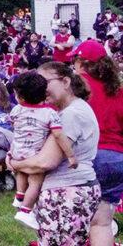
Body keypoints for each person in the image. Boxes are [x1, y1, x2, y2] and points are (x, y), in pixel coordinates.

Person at [8, 62, 100, 246]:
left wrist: (14, 163)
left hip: (67, 192)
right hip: (68, 190)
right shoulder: (66, 111)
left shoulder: (70, 115)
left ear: (65, 82)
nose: (40, 87)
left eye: (44, 81)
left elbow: (45, 162)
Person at [7, 71, 76, 230]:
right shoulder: (50, 113)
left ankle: (19, 195)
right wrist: (70, 155)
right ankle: (25, 210)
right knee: (35, 182)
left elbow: (13, 124)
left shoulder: (16, 110)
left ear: (20, 97)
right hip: (35, 153)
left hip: (17, 150)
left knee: (21, 172)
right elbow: (58, 135)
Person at [70, 39, 123, 245]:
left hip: (88, 158)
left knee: (74, 219)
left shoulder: (76, 88)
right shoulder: (117, 89)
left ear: (81, 62)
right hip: (116, 159)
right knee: (101, 222)